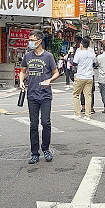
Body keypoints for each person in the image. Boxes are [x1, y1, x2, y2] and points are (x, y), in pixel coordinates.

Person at [22, 30, 60, 164]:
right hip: (32, 94)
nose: (30, 42)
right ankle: (34, 153)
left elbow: (56, 72)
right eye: (29, 40)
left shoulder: (48, 56)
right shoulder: (27, 56)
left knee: (45, 122)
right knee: (33, 125)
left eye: (32, 40)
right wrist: (21, 81)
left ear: (39, 41)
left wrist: (49, 80)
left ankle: (46, 149)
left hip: (45, 95)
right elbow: (23, 71)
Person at [72, 37, 96, 119]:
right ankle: (87, 115)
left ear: (81, 44)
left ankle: (77, 113)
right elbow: (94, 64)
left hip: (80, 76)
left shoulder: (79, 53)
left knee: (76, 94)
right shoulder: (91, 54)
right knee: (88, 96)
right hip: (89, 77)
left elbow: (74, 63)